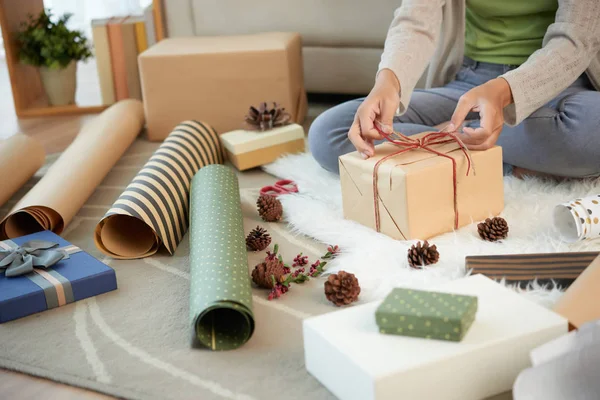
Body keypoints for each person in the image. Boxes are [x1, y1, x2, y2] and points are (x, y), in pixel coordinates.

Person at [308, 0, 600, 179]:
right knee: (331, 132)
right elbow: (415, 20)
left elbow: (577, 38)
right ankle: (490, 151)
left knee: (592, 130)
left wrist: (505, 91)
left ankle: (444, 145)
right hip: (469, 83)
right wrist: (389, 80)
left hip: (558, 85)